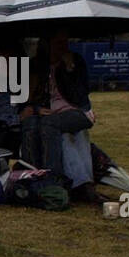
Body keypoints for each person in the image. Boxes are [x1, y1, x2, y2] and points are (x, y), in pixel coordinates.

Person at [20, 29, 102, 201]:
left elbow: (81, 96)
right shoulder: (36, 66)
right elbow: (27, 97)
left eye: (65, 43)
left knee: (49, 124)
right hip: (52, 114)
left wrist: (70, 69)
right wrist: (35, 108)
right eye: (58, 43)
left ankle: (53, 178)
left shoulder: (75, 61)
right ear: (46, 45)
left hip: (76, 111)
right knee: (42, 126)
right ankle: (39, 176)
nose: (63, 47)